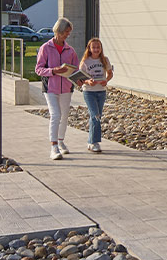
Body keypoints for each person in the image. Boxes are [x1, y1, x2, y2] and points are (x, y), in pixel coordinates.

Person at [34, 18, 80, 160]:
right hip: (50, 88)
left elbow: (76, 70)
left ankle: (61, 141)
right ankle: (53, 147)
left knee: (64, 115)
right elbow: (38, 69)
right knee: (56, 115)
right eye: (66, 32)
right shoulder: (45, 48)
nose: (68, 34)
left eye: (69, 32)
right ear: (59, 31)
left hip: (66, 87)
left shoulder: (70, 50)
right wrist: (54, 71)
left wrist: (79, 79)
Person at [79, 37, 115, 153]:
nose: (96, 49)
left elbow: (110, 73)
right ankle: (94, 142)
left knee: (96, 116)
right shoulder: (85, 61)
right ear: (89, 48)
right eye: (93, 47)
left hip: (101, 91)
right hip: (89, 92)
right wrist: (87, 81)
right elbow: (80, 78)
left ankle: (90, 142)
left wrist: (106, 80)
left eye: (98, 47)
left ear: (101, 48)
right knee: (95, 116)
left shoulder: (105, 60)